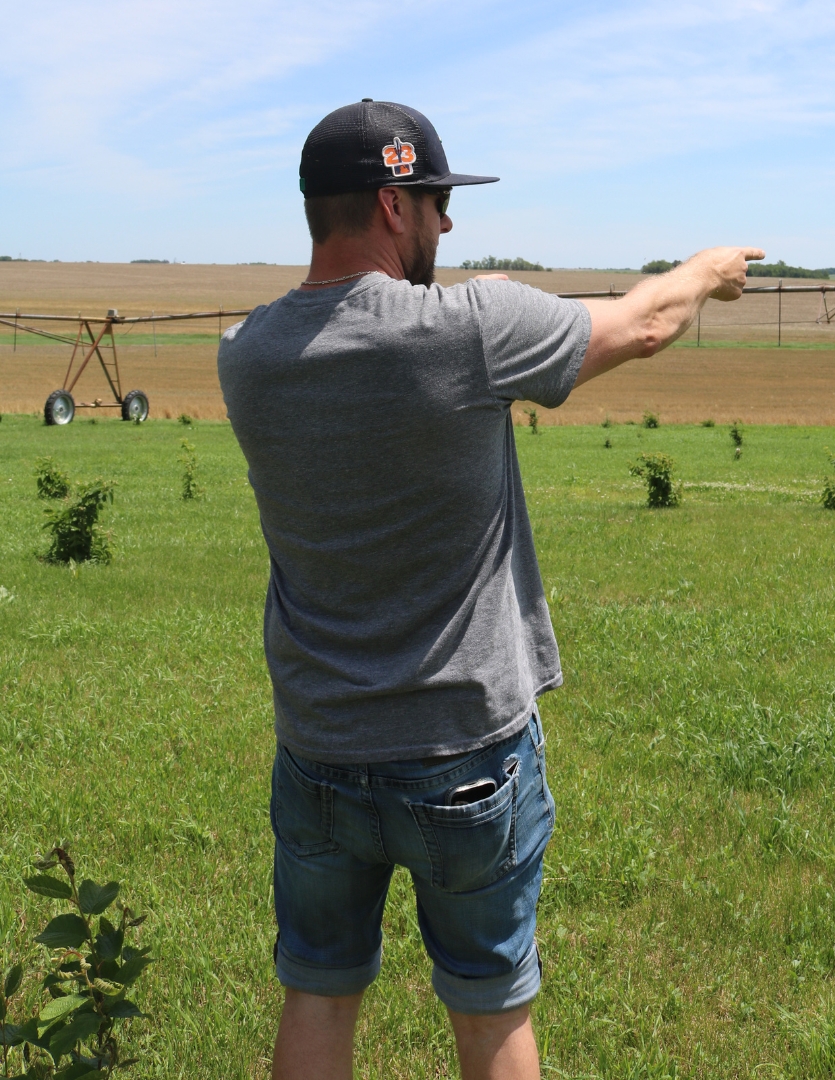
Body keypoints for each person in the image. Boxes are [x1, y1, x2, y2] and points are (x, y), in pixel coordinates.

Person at [218, 99, 762, 1080]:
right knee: (492, 1013)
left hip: (319, 752)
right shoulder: (469, 330)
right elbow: (645, 325)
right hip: (464, 753)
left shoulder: (245, 357)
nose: (447, 223)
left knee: (317, 994)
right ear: (393, 205)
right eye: (435, 201)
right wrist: (704, 270)